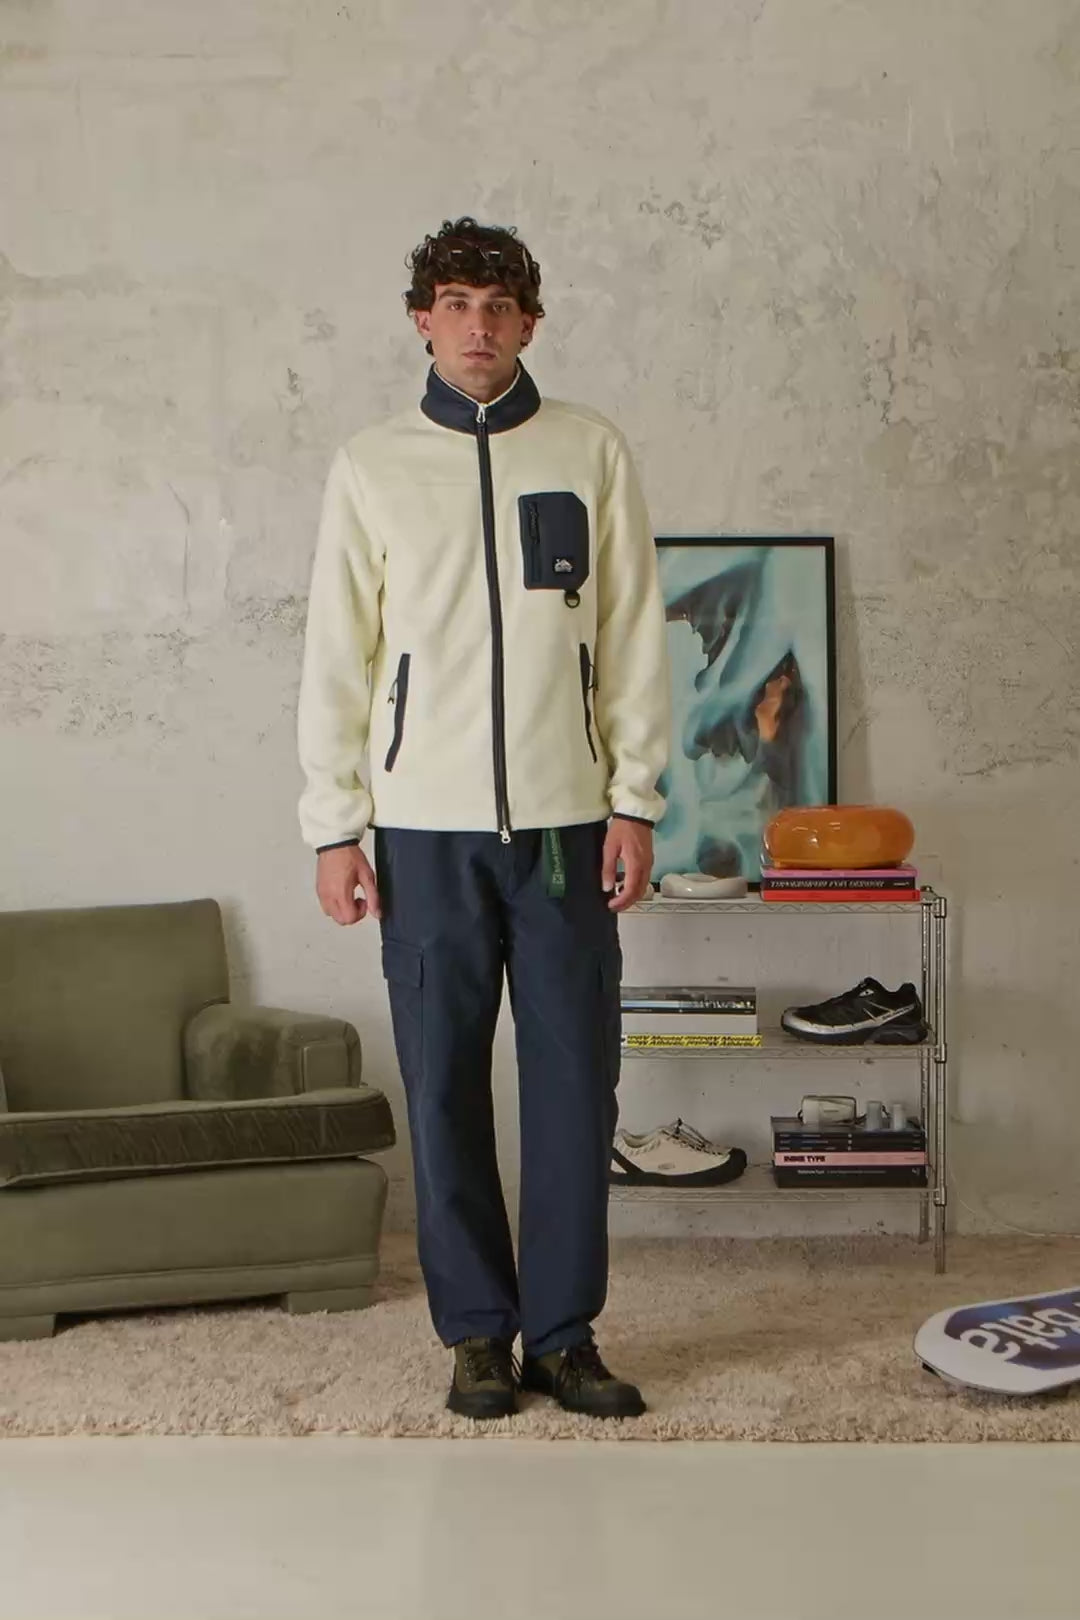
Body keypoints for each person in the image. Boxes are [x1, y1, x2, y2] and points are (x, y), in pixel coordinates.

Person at [297, 216, 670, 1420]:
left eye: (499, 307)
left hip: (567, 828)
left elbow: (632, 636)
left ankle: (564, 1336)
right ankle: (475, 1335)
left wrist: (634, 802)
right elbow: (338, 657)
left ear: (530, 323)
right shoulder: (372, 467)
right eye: (455, 304)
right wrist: (335, 826)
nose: (477, 326)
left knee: (575, 1089)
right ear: (423, 319)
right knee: (443, 1084)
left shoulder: (590, 450)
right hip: (422, 833)